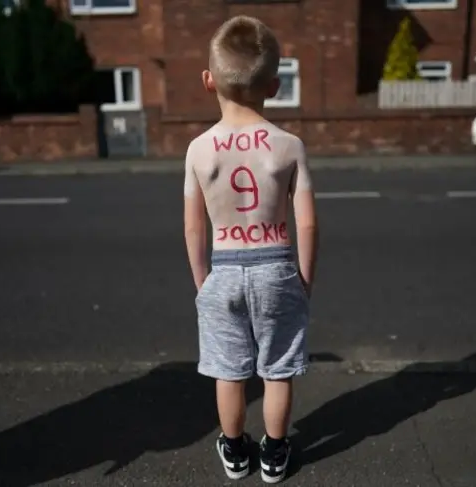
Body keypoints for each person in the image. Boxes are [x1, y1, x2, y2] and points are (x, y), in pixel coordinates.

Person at [183, 14, 319, 484]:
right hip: (277, 264)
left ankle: (235, 449)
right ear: (275, 86)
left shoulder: (199, 149)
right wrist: (304, 278)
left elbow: (193, 224)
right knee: (278, 369)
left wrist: (202, 280)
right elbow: (306, 221)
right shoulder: (289, 146)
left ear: (208, 80)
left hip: (222, 266)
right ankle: (275, 452)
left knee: (229, 369)